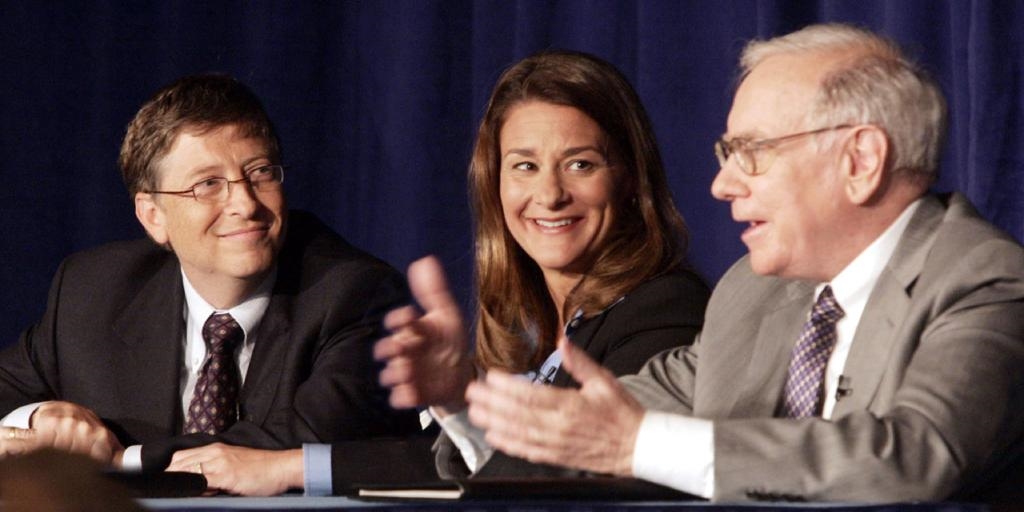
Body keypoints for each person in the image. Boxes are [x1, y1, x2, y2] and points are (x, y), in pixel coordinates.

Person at [462, 23, 1024, 503]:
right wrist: (462, 396)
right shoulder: (752, 291)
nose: (722, 185)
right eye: (727, 155)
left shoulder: (983, 278)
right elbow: (597, 426)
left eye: (751, 153)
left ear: (861, 160)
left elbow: (917, 456)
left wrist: (641, 445)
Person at [166, 50, 710, 495]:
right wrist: (456, 399)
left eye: (580, 164)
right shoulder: (540, 325)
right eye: (524, 165)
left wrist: (287, 468)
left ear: (631, 181)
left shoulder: (662, 308)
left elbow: (564, 471)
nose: (549, 194)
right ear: (494, 185)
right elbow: (458, 459)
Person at [0, 74, 419, 473]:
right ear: (152, 216)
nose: (245, 203)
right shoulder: (92, 290)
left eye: (260, 173)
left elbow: (307, 440)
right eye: (208, 184)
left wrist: (117, 461)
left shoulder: (355, 293)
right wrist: (40, 418)